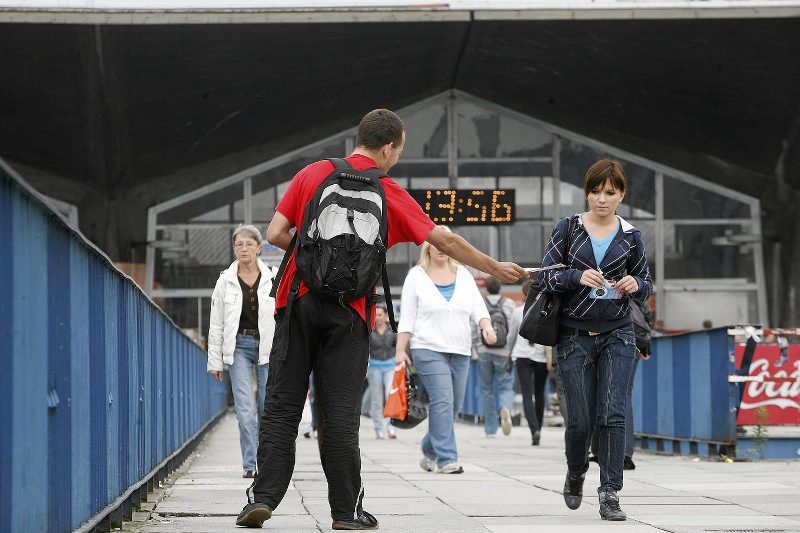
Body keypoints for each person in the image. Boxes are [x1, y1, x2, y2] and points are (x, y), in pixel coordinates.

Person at [236, 109, 527, 530]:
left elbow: (277, 233)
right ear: (388, 147)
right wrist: (492, 266)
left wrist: (316, 254)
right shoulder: (388, 190)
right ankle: (346, 513)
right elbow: (442, 238)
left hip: (297, 300)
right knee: (339, 415)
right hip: (351, 311)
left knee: (282, 406)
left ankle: (261, 499)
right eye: (398, 152)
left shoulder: (314, 173)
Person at [539, 159, 653, 522]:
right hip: (573, 336)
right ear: (586, 192)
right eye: (595, 191)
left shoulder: (631, 236)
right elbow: (545, 278)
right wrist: (576, 276)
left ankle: (610, 493)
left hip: (618, 334)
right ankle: (576, 472)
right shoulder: (568, 229)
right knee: (580, 421)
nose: (602, 199)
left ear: (621, 194)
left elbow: (646, 283)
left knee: (613, 414)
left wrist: (636, 286)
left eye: (610, 192)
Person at [395, 227, 497, 475]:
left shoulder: (463, 275)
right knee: (442, 400)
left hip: (460, 349)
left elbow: (478, 307)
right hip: (427, 348)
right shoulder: (416, 276)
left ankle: (429, 448)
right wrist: (400, 350)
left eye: (445, 243)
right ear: (428, 246)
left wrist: (487, 327)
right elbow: (407, 317)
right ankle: (447, 459)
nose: (440, 247)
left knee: (452, 407)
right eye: (435, 243)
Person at [207, 224, 276, 479]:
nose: (243, 248)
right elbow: (216, 322)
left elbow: (282, 319)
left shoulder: (272, 278)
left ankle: (268, 461)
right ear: (234, 249)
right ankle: (251, 464)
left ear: (259, 248)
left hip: (268, 348)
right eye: (239, 244)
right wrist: (215, 361)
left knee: (267, 407)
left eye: (249, 244)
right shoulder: (224, 281)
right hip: (238, 347)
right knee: (245, 409)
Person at [508, 280, 553, 446]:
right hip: (541, 357)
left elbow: (511, 336)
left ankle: (533, 429)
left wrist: (508, 355)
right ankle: (539, 428)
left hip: (522, 356)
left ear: (524, 294)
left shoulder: (517, 312)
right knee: (540, 393)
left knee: (527, 394)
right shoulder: (546, 309)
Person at [474, 276, 517, 437]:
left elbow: (473, 327)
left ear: (486, 288)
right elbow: (513, 329)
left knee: (486, 389)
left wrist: (476, 349)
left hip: (483, 351)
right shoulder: (509, 304)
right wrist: (509, 349)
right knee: (506, 385)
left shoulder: (480, 303)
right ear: (500, 288)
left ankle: (490, 429)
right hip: (503, 351)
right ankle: (505, 407)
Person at [368, 304, 398, 439]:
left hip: (390, 367)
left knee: (390, 397)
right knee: (376, 399)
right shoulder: (369, 331)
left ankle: (392, 428)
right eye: (376, 314)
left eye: (380, 314)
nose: (378, 317)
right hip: (374, 367)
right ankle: (378, 429)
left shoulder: (392, 330)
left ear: (386, 315)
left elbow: (399, 347)